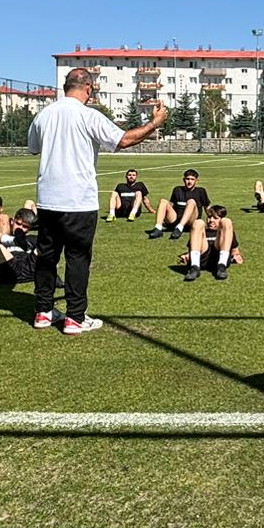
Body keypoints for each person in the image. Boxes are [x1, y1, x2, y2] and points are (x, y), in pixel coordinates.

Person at [30, 66, 166, 335]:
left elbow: (33, 147)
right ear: (88, 89)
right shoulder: (88, 115)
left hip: (47, 201)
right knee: (77, 258)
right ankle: (75, 317)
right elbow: (123, 140)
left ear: (66, 86)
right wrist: (154, 124)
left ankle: (43, 312)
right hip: (79, 202)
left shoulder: (43, 115)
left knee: (47, 257)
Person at [0, 205, 39, 285]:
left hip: (29, 264)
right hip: (10, 265)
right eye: (18, 224)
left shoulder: (31, 238)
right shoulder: (0, 244)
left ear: (29, 229)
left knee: (46, 241)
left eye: (25, 226)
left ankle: (52, 275)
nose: (21, 228)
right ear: (12, 221)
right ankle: (12, 241)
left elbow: (30, 203)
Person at [183, 205, 241, 281]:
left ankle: (221, 266)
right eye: (209, 217)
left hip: (218, 255)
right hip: (202, 258)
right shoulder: (202, 231)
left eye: (215, 218)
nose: (211, 220)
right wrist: (187, 255)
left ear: (220, 219)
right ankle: (194, 267)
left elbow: (235, 251)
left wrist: (237, 256)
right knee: (198, 222)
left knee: (227, 221)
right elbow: (193, 246)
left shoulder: (227, 232)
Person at [146, 169, 209, 239]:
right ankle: (158, 228)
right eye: (187, 179)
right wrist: (166, 218)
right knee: (163, 201)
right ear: (183, 180)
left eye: (192, 179)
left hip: (191, 221)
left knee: (191, 201)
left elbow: (207, 208)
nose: (189, 181)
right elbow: (171, 206)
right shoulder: (177, 189)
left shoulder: (201, 191)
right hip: (176, 220)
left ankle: (180, 228)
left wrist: (211, 221)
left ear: (196, 181)